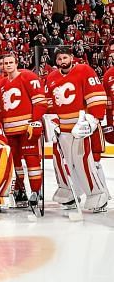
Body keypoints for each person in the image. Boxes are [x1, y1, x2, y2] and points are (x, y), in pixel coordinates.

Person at [44, 47, 109, 213]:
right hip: (62, 128)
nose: (62, 61)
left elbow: (96, 95)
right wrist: (52, 121)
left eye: (65, 57)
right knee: (59, 162)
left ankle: (97, 195)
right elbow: (50, 102)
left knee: (83, 162)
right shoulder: (51, 77)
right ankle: (68, 194)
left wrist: (92, 119)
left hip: (80, 126)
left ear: (71, 57)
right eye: (59, 59)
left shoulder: (84, 70)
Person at [0, 52, 47, 208]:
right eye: (5, 63)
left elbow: (40, 102)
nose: (8, 65)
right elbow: (2, 108)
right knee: (14, 162)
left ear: (16, 63)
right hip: (10, 130)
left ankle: (36, 190)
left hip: (27, 127)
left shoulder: (28, 77)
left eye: (11, 62)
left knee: (32, 159)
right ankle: (20, 189)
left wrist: (35, 121)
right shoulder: (1, 84)